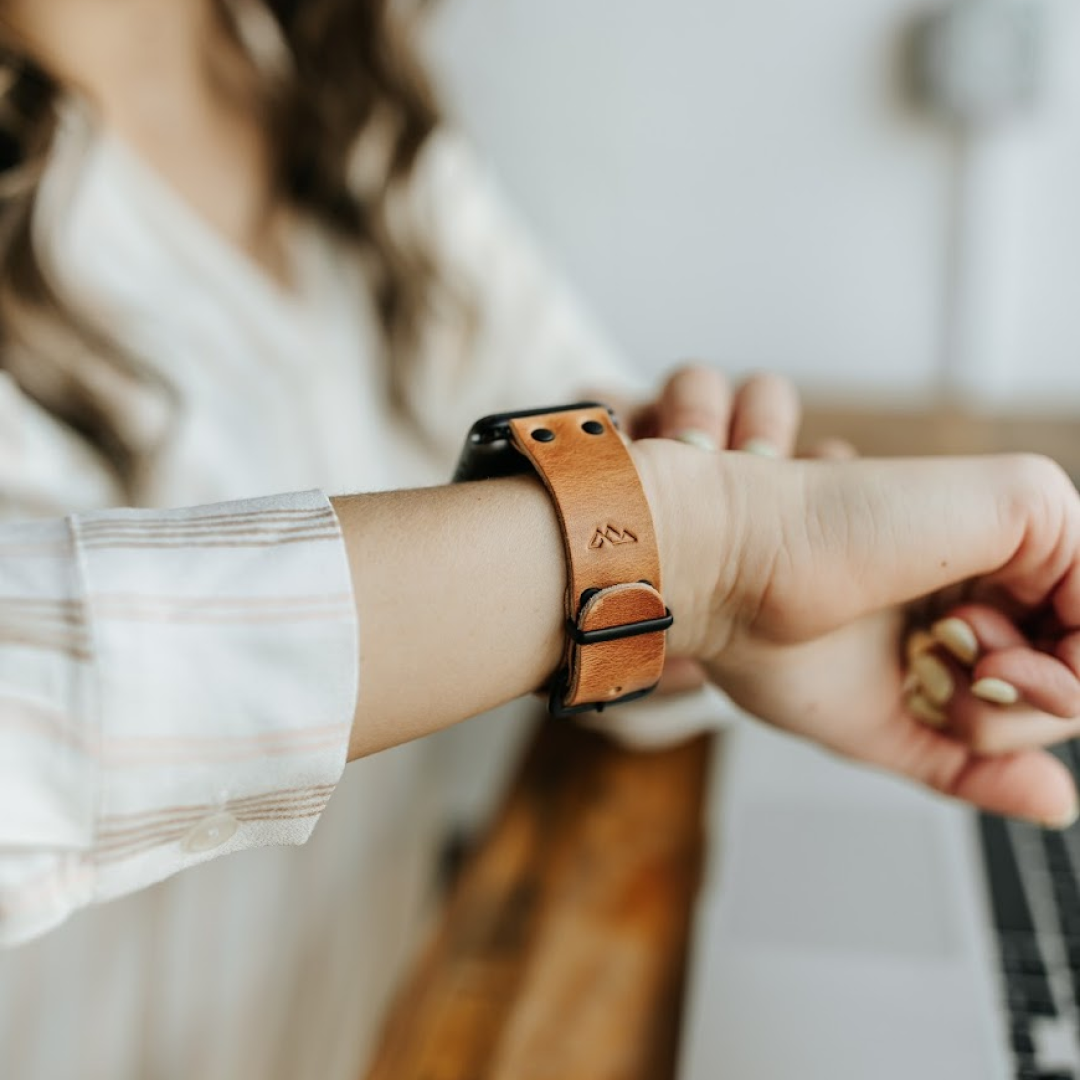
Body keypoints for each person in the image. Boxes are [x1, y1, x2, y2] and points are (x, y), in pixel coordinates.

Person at [1, 1, 1079, 1077]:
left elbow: (580, 473)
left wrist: (768, 598)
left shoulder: (322, 86)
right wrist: (705, 547)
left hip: (376, 1022)